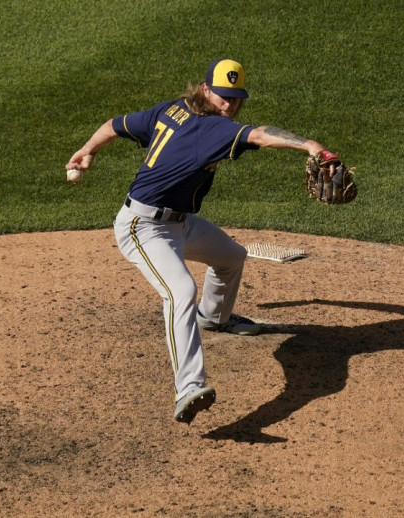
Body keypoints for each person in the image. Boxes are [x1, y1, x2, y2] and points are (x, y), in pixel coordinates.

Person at [65, 58, 337, 424]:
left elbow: (113, 126)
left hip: (181, 223)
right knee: (179, 291)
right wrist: (311, 146)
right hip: (141, 227)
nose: (229, 105)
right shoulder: (213, 130)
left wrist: (89, 150)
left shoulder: (171, 111)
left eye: (236, 98)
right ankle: (188, 388)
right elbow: (258, 135)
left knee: (230, 257)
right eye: (223, 96)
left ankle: (214, 318)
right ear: (206, 90)